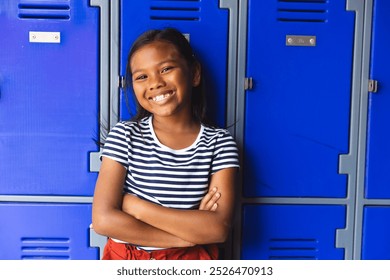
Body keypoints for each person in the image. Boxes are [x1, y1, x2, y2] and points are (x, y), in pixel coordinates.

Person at [92, 28, 239, 260]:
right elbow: (103, 220)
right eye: (142, 77)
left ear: (194, 74)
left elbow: (217, 229)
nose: (156, 83)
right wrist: (189, 237)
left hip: (189, 261)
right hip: (128, 257)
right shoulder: (124, 135)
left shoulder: (219, 143)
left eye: (166, 69)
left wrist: (137, 208)